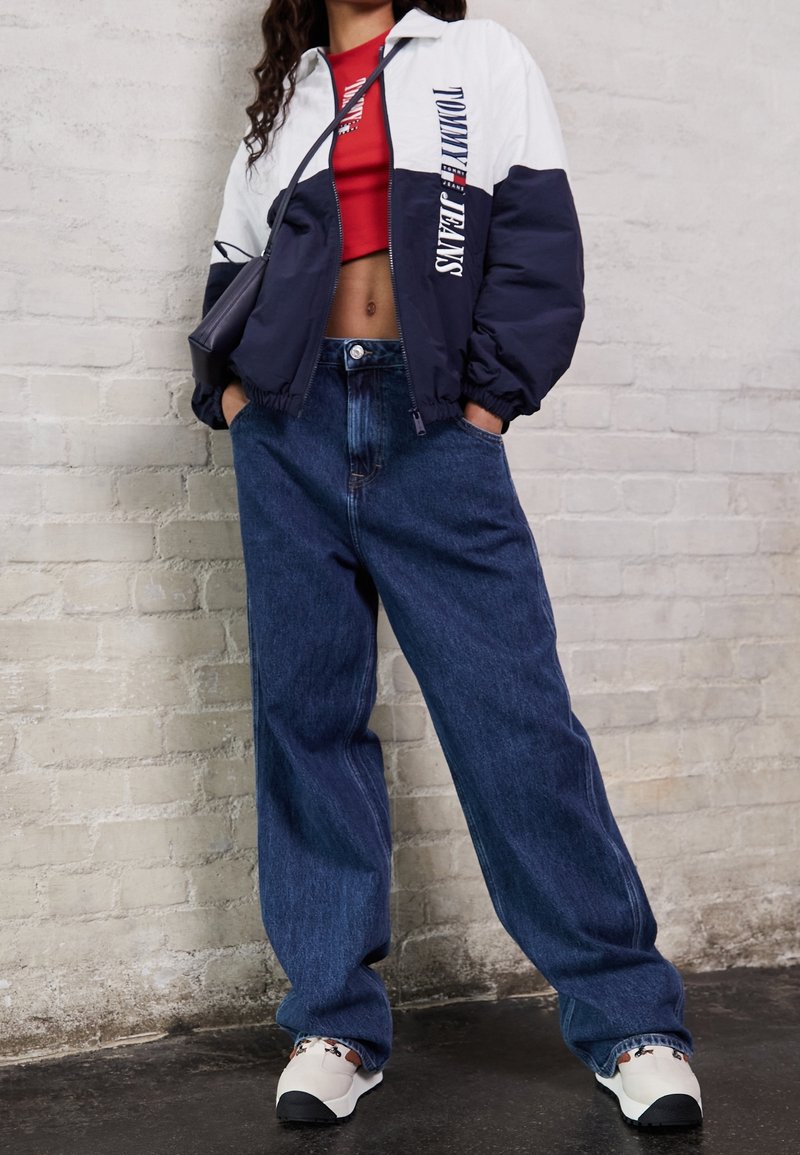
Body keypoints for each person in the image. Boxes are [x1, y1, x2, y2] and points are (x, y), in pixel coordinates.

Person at [191, 0, 703, 1130]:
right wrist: (229, 397)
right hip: (288, 427)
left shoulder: (478, 58)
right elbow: (233, 258)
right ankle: (333, 1021)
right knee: (307, 721)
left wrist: (485, 408)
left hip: (431, 429)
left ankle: (631, 1019)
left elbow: (538, 244)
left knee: (516, 724)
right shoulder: (291, 92)